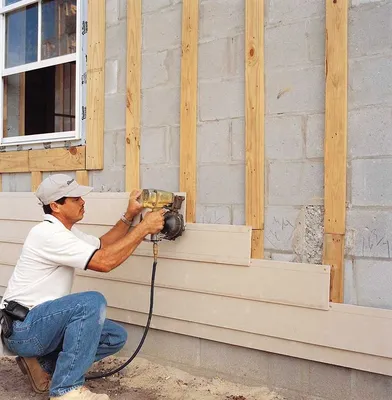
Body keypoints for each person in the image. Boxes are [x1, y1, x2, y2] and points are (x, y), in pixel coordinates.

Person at [0, 174, 165, 400]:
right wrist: (144, 228)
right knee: (90, 302)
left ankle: (42, 364)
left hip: (40, 325)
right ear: (55, 205)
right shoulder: (47, 234)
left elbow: (103, 245)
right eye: (75, 198)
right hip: (23, 328)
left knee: (114, 337)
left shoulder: (65, 232)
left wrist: (130, 216)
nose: (82, 202)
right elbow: (104, 262)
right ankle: (67, 390)